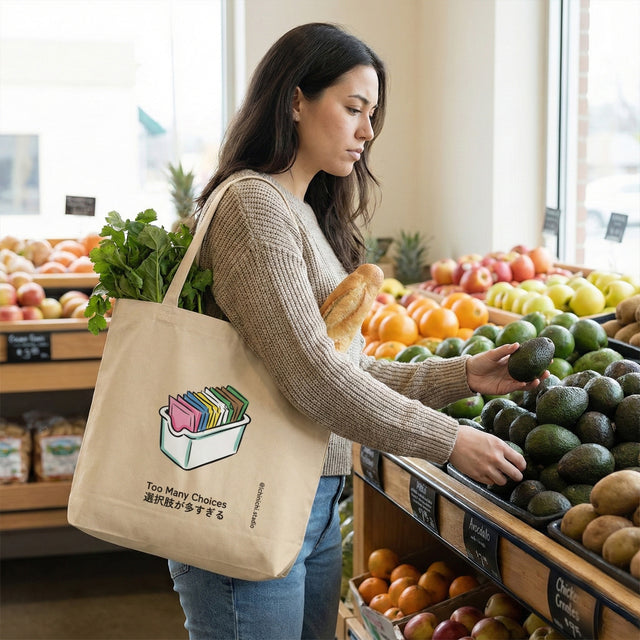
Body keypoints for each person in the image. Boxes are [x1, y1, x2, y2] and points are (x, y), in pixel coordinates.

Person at [169, 22, 544, 640]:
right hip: (248, 498)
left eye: (372, 114)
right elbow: (311, 377)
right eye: (353, 109)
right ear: (295, 100)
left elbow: (338, 366)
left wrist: (463, 375)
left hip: (306, 501)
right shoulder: (253, 208)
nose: (368, 132)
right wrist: (447, 440)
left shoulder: (301, 212)